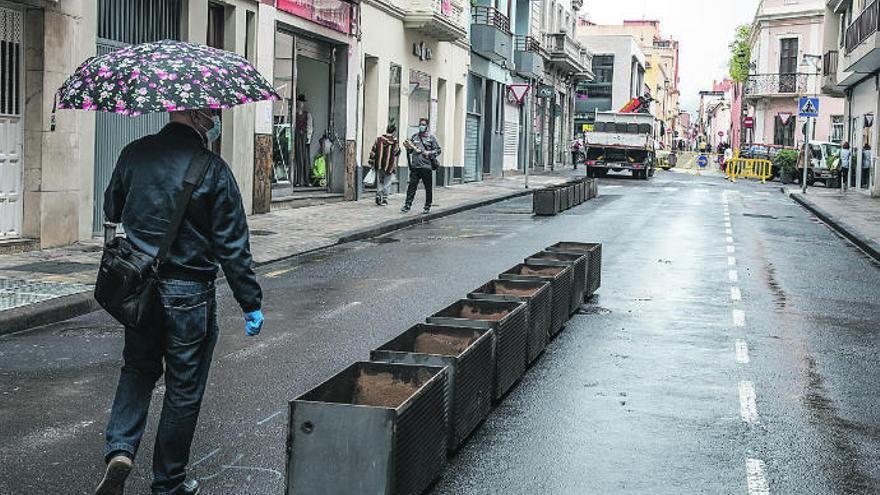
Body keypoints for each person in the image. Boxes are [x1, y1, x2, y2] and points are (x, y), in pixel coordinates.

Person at [96, 109, 264, 495]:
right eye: (211, 114)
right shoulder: (213, 169)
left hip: (140, 290)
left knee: (137, 370)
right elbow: (233, 246)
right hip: (190, 294)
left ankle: (120, 449)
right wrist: (249, 301)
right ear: (196, 117)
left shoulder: (134, 153)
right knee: (183, 389)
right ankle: (168, 483)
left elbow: (111, 208)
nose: (215, 121)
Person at [402, 118, 441, 214]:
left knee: (428, 188)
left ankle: (427, 206)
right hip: (415, 167)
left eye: (423, 124)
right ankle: (407, 205)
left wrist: (429, 153)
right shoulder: (414, 137)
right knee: (411, 187)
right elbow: (411, 150)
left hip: (426, 167)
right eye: (420, 124)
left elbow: (438, 150)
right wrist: (408, 148)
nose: (421, 126)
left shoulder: (431, 138)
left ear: (427, 126)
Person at [368, 124, 401, 206]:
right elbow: (397, 152)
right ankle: (385, 199)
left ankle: (379, 195)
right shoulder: (394, 142)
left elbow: (373, 151)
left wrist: (371, 162)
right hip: (389, 166)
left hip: (379, 164)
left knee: (380, 181)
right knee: (387, 182)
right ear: (394, 132)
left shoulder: (379, 140)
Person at [293, 94, 313, 187]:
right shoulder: (294, 113)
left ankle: (306, 180)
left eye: (302, 102)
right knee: (298, 158)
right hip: (297, 136)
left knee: (305, 158)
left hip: (304, 137)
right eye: (299, 102)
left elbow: (309, 126)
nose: (301, 104)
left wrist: (308, 137)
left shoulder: (307, 114)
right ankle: (298, 180)